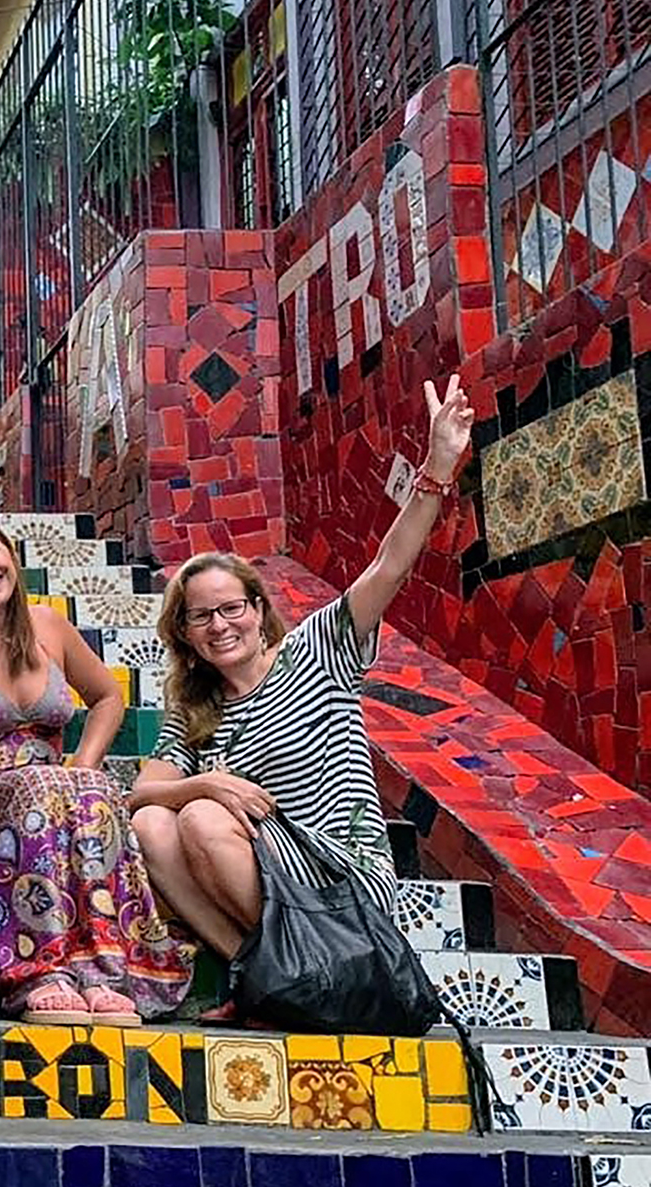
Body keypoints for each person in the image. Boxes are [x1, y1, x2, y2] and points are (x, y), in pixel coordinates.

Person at [129, 377, 476, 983]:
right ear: (183, 633)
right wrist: (209, 783)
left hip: (343, 879)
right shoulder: (193, 707)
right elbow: (139, 797)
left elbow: (388, 568)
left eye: (232, 608)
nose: (220, 626)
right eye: (201, 616)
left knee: (200, 818)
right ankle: (261, 974)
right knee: (153, 825)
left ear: (259, 609)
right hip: (266, 875)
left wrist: (436, 469)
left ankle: (300, 969)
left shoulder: (317, 650)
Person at [0, 512, 188, 1024]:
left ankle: (103, 971)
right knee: (47, 784)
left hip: (57, 803)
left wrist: (82, 762)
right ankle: (38, 971)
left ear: (10, 555)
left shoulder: (48, 625)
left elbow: (108, 696)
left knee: (91, 785)